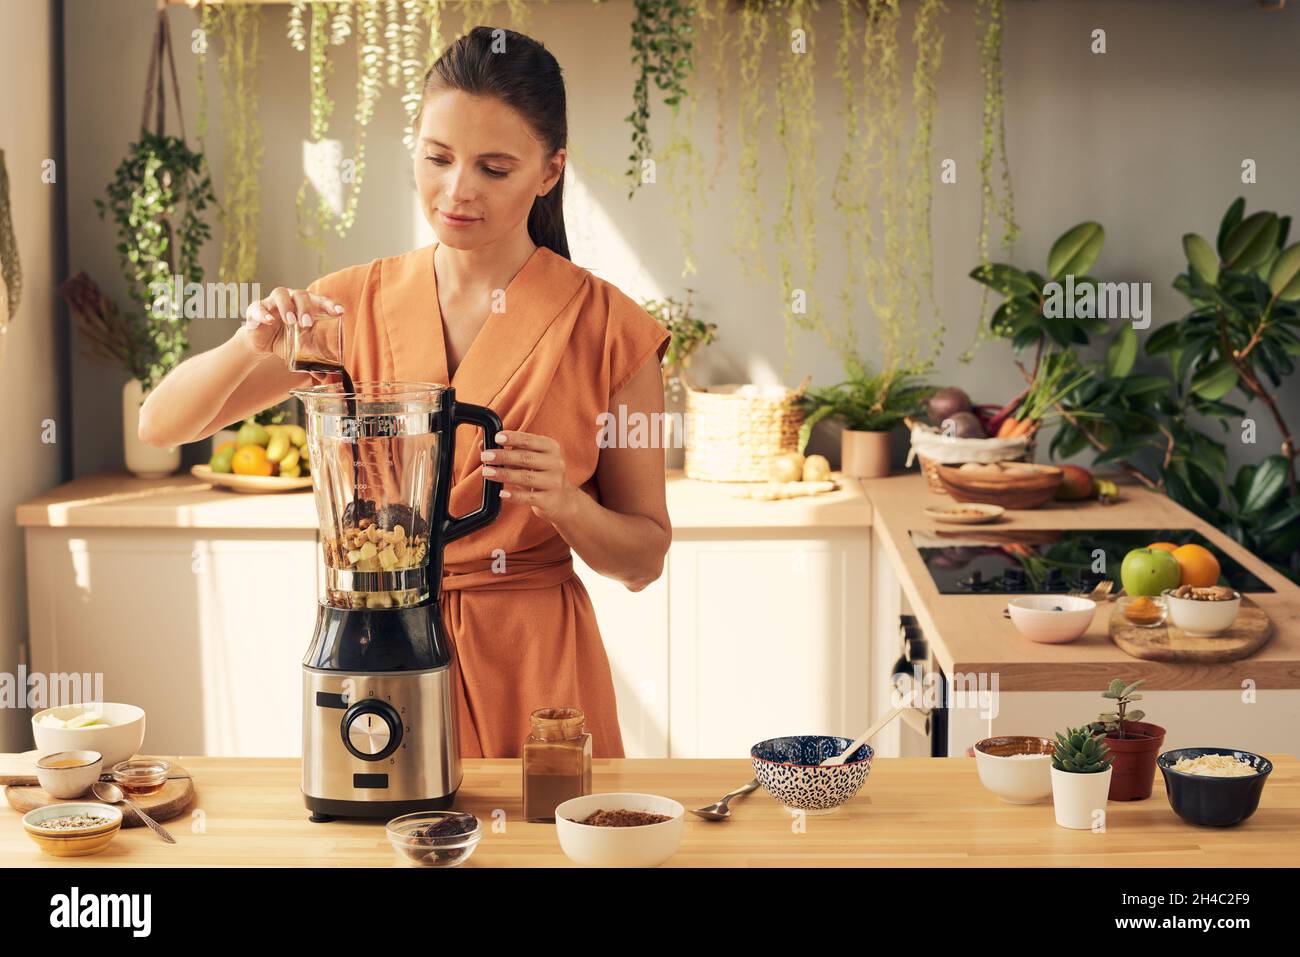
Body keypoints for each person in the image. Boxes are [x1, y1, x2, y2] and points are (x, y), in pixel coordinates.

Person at [139, 26, 672, 758]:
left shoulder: (612, 328)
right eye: (437, 158)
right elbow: (160, 424)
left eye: (494, 167)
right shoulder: (348, 306)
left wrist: (569, 504)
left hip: (540, 670)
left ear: (550, 172)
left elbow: (643, 560)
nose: (457, 190)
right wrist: (246, 343)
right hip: (379, 652)